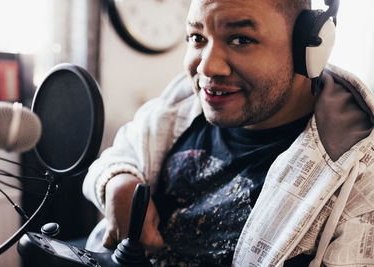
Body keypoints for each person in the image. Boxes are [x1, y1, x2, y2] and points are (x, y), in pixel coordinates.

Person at [83, 0, 374, 266]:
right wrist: (118, 183)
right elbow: (123, 150)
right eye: (197, 38)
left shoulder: (361, 175)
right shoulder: (183, 101)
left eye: (241, 39)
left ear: (310, 46)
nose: (208, 66)